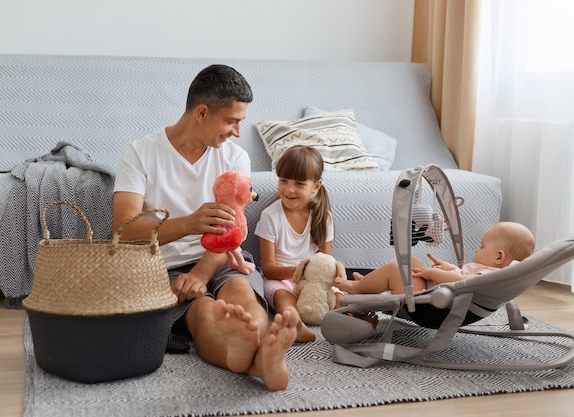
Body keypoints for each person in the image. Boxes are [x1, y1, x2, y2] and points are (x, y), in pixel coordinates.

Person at [112, 64, 297, 391]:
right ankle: (255, 360)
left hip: (219, 260)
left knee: (242, 295)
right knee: (203, 314)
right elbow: (123, 229)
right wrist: (188, 224)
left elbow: (232, 231)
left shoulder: (235, 158)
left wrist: (199, 274)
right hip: (163, 268)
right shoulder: (141, 153)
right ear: (201, 112)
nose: (237, 132)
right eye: (231, 121)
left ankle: (252, 357)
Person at [254, 145, 336, 343]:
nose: (289, 189)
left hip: (313, 280)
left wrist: (318, 278)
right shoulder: (270, 216)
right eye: (283, 181)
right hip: (279, 278)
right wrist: (301, 271)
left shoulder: (323, 217)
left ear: (315, 186)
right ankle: (294, 323)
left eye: (299, 184)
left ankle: (348, 321)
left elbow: (326, 261)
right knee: (283, 297)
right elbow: (269, 268)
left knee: (338, 297)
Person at [335, 221, 535, 295]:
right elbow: (461, 276)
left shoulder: (490, 275)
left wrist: (433, 272)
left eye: (482, 247)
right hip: (434, 289)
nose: (476, 250)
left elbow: (463, 282)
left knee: (396, 269)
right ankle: (372, 285)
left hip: (428, 300)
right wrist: (448, 268)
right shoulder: (492, 273)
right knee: (411, 262)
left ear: (499, 257)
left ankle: (358, 288)